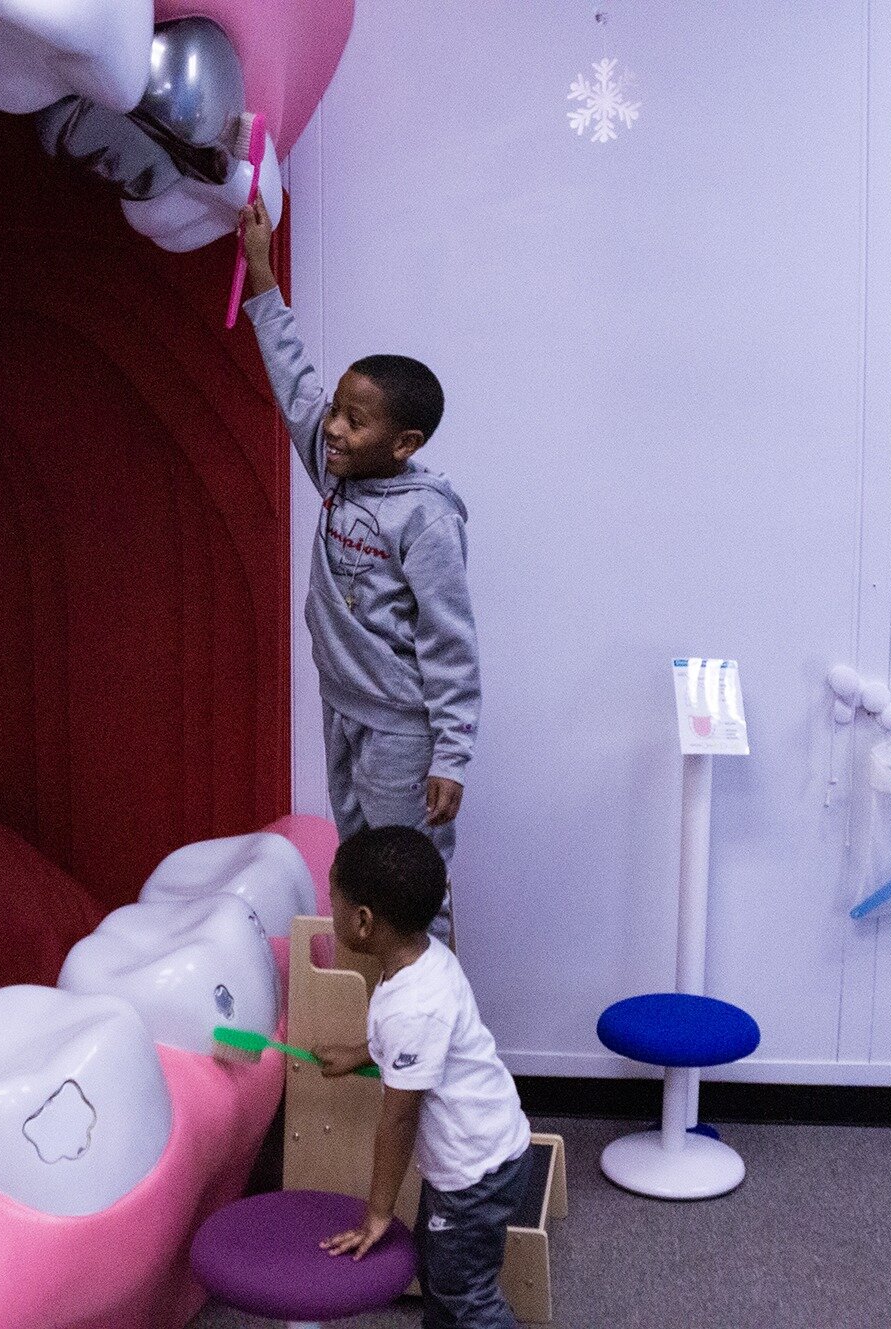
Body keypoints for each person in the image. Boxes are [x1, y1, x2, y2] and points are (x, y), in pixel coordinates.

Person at [238, 200, 480, 941]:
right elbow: (293, 380)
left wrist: (451, 756)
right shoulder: (337, 469)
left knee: (410, 888)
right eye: (337, 412)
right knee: (361, 881)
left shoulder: (426, 518)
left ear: (404, 443)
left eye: (355, 420)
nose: (334, 428)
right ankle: (372, 1005)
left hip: (402, 729)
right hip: (343, 707)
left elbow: (451, 642)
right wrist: (261, 272)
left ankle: (430, 1010)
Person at [314, 826, 531, 1329]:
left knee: (465, 1294)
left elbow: (398, 1121)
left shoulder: (413, 1007)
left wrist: (378, 1213)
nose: (331, 909)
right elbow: (417, 1048)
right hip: (478, 1153)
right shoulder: (424, 956)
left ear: (363, 921)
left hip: (473, 1175)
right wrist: (360, 1053)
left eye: (334, 900)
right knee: (437, 1272)